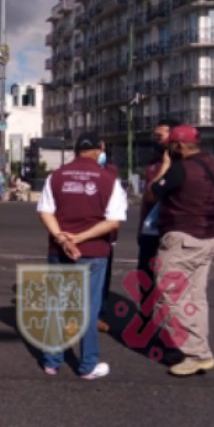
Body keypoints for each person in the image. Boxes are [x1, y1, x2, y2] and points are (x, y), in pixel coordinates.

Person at [36, 132, 127, 379]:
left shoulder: (56, 176)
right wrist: (80, 238)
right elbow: (113, 221)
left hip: (59, 250)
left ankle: (51, 362)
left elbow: (45, 212)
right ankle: (87, 365)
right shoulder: (108, 179)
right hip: (93, 252)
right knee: (88, 308)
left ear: (76, 150)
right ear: (100, 149)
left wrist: (62, 237)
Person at [147, 125, 214, 376]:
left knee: (169, 295)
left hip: (182, 237)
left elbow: (153, 192)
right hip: (207, 237)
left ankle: (197, 352)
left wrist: (166, 166)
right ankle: (195, 349)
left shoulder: (180, 169)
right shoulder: (212, 165)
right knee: (195, 298)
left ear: (178, 146)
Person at [137, 119, 177, 284]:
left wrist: (166, 166)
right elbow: (147, 197)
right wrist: (140, 227)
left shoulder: (181, 164)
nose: (157, 139)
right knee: (145, 278)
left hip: (169, 230)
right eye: (156, 135)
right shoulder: (154, 162)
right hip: (149, 230)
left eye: (161, 135)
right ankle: (145, 310)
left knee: (166, 281)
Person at [97, 141, 120, 333]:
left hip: (106, 235)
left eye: (104, 149)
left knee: (103, 278)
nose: (101, 153)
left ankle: (99, 314)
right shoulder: (70, 172)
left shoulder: (112, 172)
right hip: (81, 234)